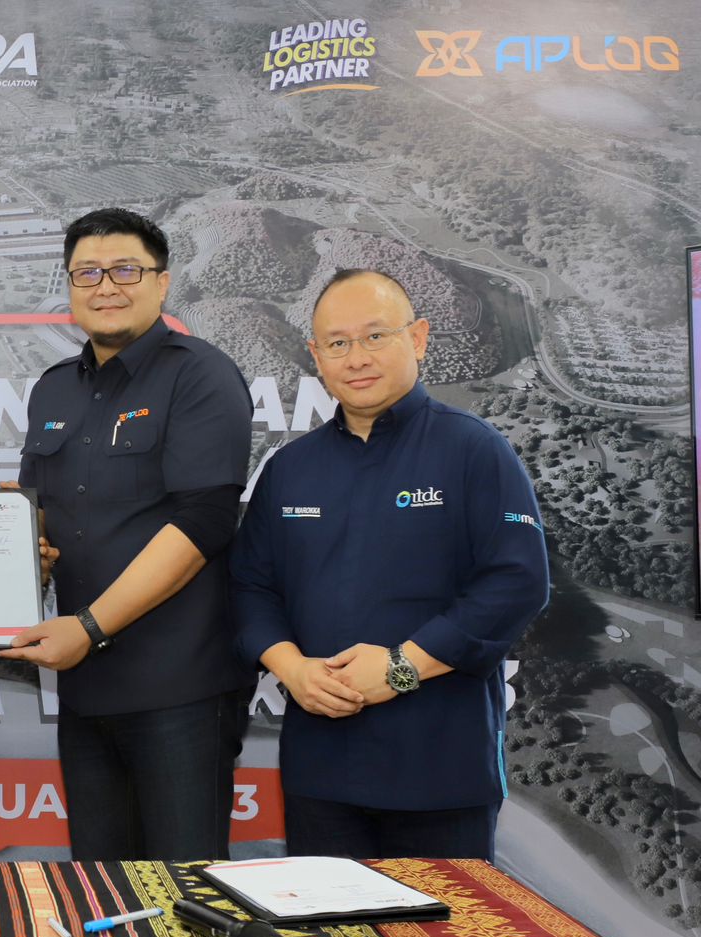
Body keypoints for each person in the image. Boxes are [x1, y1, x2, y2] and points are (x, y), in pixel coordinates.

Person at [230, 268, 549, 861]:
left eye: (376, 336)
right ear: (316, 356)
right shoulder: (291, 469)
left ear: (418, 338)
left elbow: (516, 582)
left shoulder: (474, 449)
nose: (357, 358)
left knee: (443, 926)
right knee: (330, 924)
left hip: (440, 770)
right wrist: (291, 668)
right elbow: (250, 587)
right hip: (319, 771)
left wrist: (402, 667)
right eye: (338, 342)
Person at [1, 207, 255, 861]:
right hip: (86, 691)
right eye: (86, 272)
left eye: (125, 270)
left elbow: (202, 521)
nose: (105, 286)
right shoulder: (52, 390)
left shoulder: (199, 375)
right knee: (103, 887)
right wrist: (8, 548)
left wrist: (89, 628)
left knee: (183, 889)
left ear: (162, 282)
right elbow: (40, 515)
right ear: (69, 285)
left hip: (180, 688)